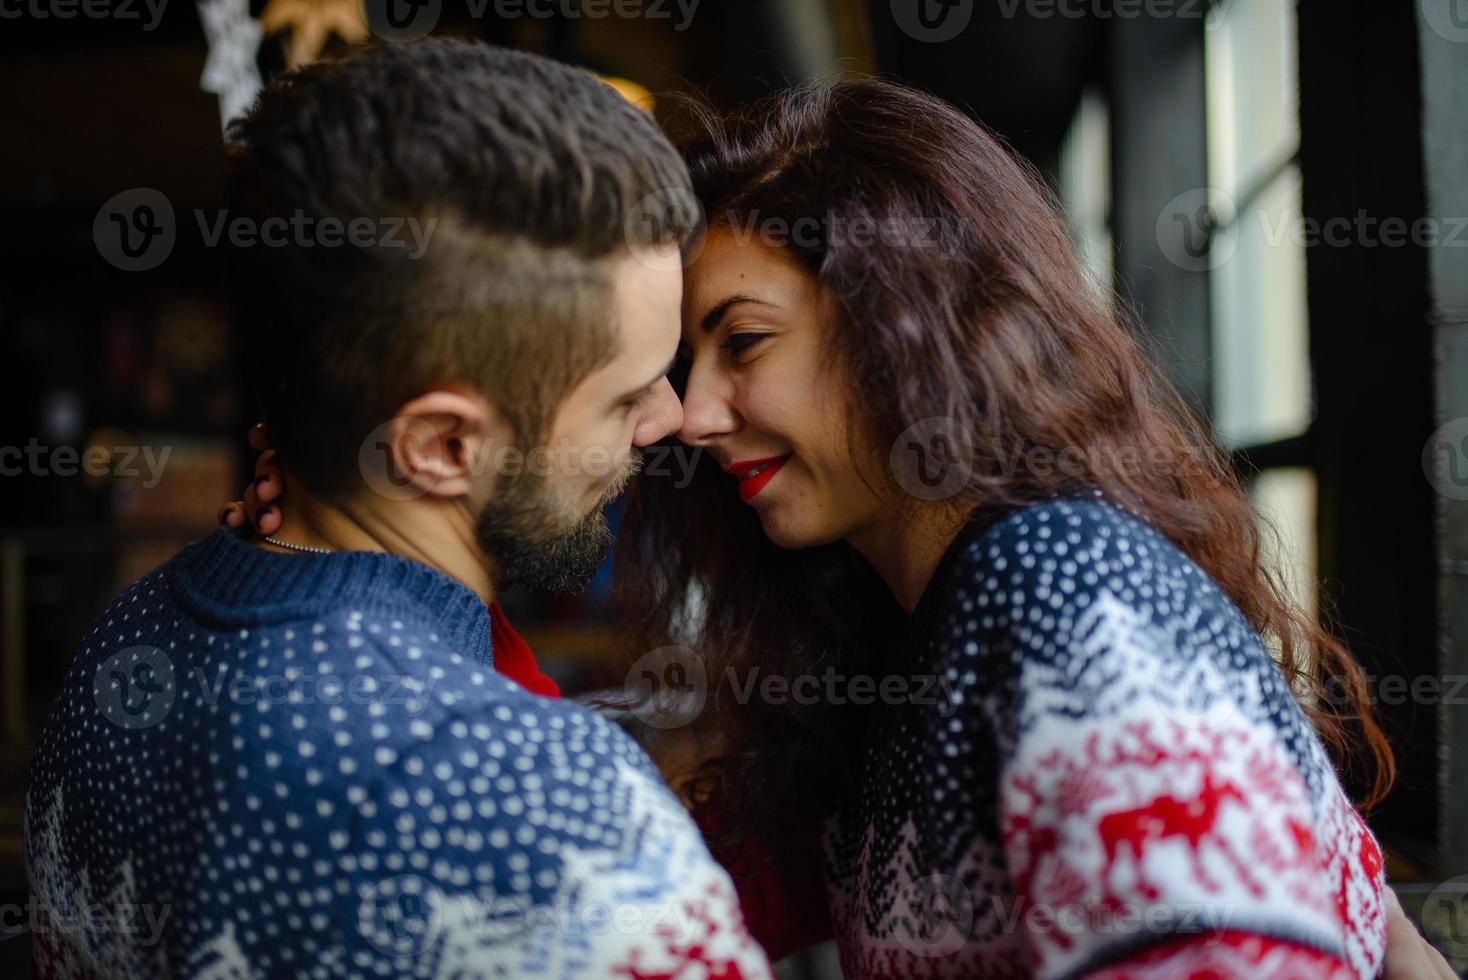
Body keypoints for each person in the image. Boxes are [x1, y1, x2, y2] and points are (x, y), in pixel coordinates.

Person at [224, 76, 1457, 979]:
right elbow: (612, 876)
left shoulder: (1065, 585)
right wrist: (380, 553)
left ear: (908, 324)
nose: (692, 415)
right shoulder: (890, 648)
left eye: (744, 343)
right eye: (672, 362)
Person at [25, 40, 772, 979]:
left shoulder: (123, 644)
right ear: (441, 448)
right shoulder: (531, 801)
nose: (670, 419)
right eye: (625, 397)